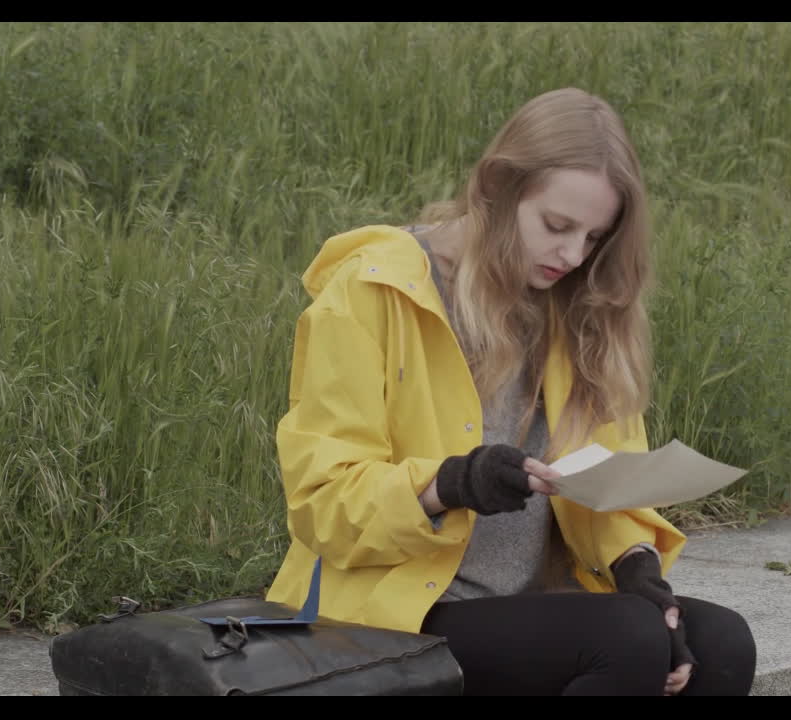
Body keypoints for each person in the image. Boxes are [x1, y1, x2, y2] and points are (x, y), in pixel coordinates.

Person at [265, 87, 756, 695]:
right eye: (557, 225)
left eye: (594, 238)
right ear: (497, 184)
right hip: (395, 610)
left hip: (534, 607)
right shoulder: (372, 292)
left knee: (721, 642)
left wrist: (635, 566)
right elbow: (323, 504)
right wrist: (452, 483)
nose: (572, 255)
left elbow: (606, 482)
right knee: (628, 638)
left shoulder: (578, 307)